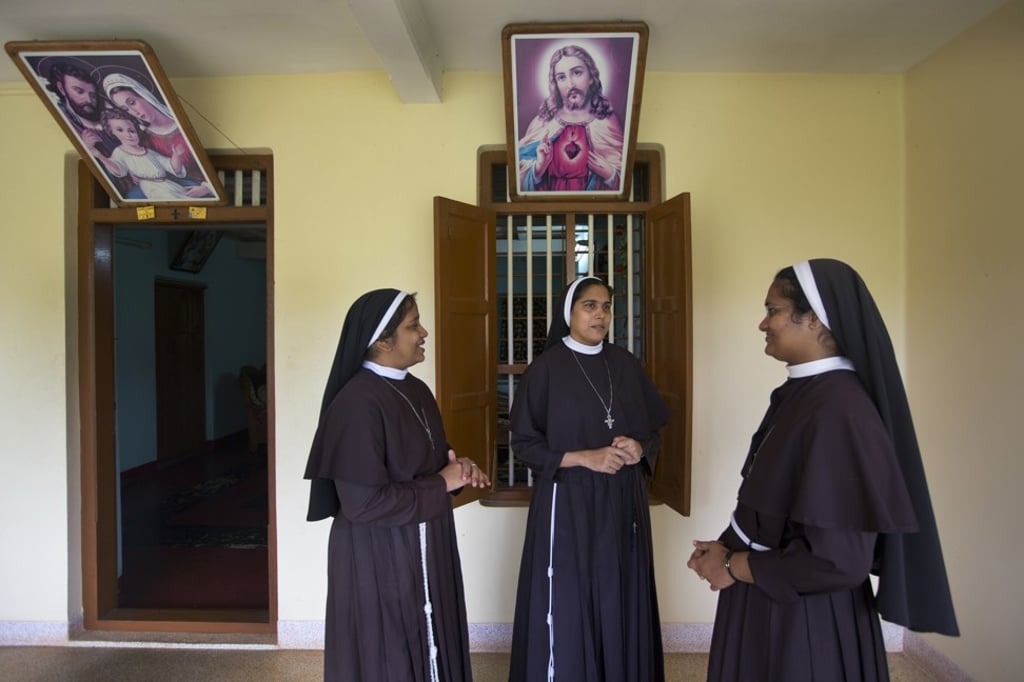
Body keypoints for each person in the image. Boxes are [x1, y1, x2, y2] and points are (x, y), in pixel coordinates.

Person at [687, 259, 959, 681]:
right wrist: (726, 547)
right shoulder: (807, 393)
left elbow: (837, 561)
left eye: (772, 310)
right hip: (773, 599)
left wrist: (734, 566)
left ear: (812, 318)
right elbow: (770, 500)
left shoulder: (838, 412)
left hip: (805, 625)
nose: (763, 323)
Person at [304, 289, 490, 682]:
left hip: (426, 541)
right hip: (379, 555)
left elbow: (433, 463)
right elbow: (363, 505)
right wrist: (441, 484)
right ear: (382, 341)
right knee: (388, 655)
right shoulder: (356, 403)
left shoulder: (416, 389)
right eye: (412, 325)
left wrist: (459, 470)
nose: (424, 332)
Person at [508, 276, 668, 681]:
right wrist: (584, 458)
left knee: (619, 591)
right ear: (570, 312)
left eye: (607, 306)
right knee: (571, 595)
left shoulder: (625, 365)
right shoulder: (545, 370)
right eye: (590, 305)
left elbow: (653, 430)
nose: (601, 314)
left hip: (621, 501)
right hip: (569, 502)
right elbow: (524, 445)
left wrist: (639, 447)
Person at [516, 45, 624, 193]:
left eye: (577, 73)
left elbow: (624, 183)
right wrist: (538, 167)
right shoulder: (542, 123)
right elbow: (519, 183)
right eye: (561, 77)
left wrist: (609, 173)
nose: (570, 84)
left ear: (591, 77)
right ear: (555, 83)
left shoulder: (606, 122)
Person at [102, 72, 212, 193]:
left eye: (132, 102)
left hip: (199, 189)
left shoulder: (185, 126)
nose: (134, 112)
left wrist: (207, 188)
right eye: (126, 109)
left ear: (143, 95)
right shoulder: (142, 138)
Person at [96, 108, 196, 201]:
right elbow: (119, 170)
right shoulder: (120, 152)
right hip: (152, 188)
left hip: (168, 184)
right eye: (120, 130)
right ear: (112, 133)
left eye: (131, 130)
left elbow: (172, 167)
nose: (129, 135)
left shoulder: (148, 152)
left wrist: (176, 155)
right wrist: (100, 156)